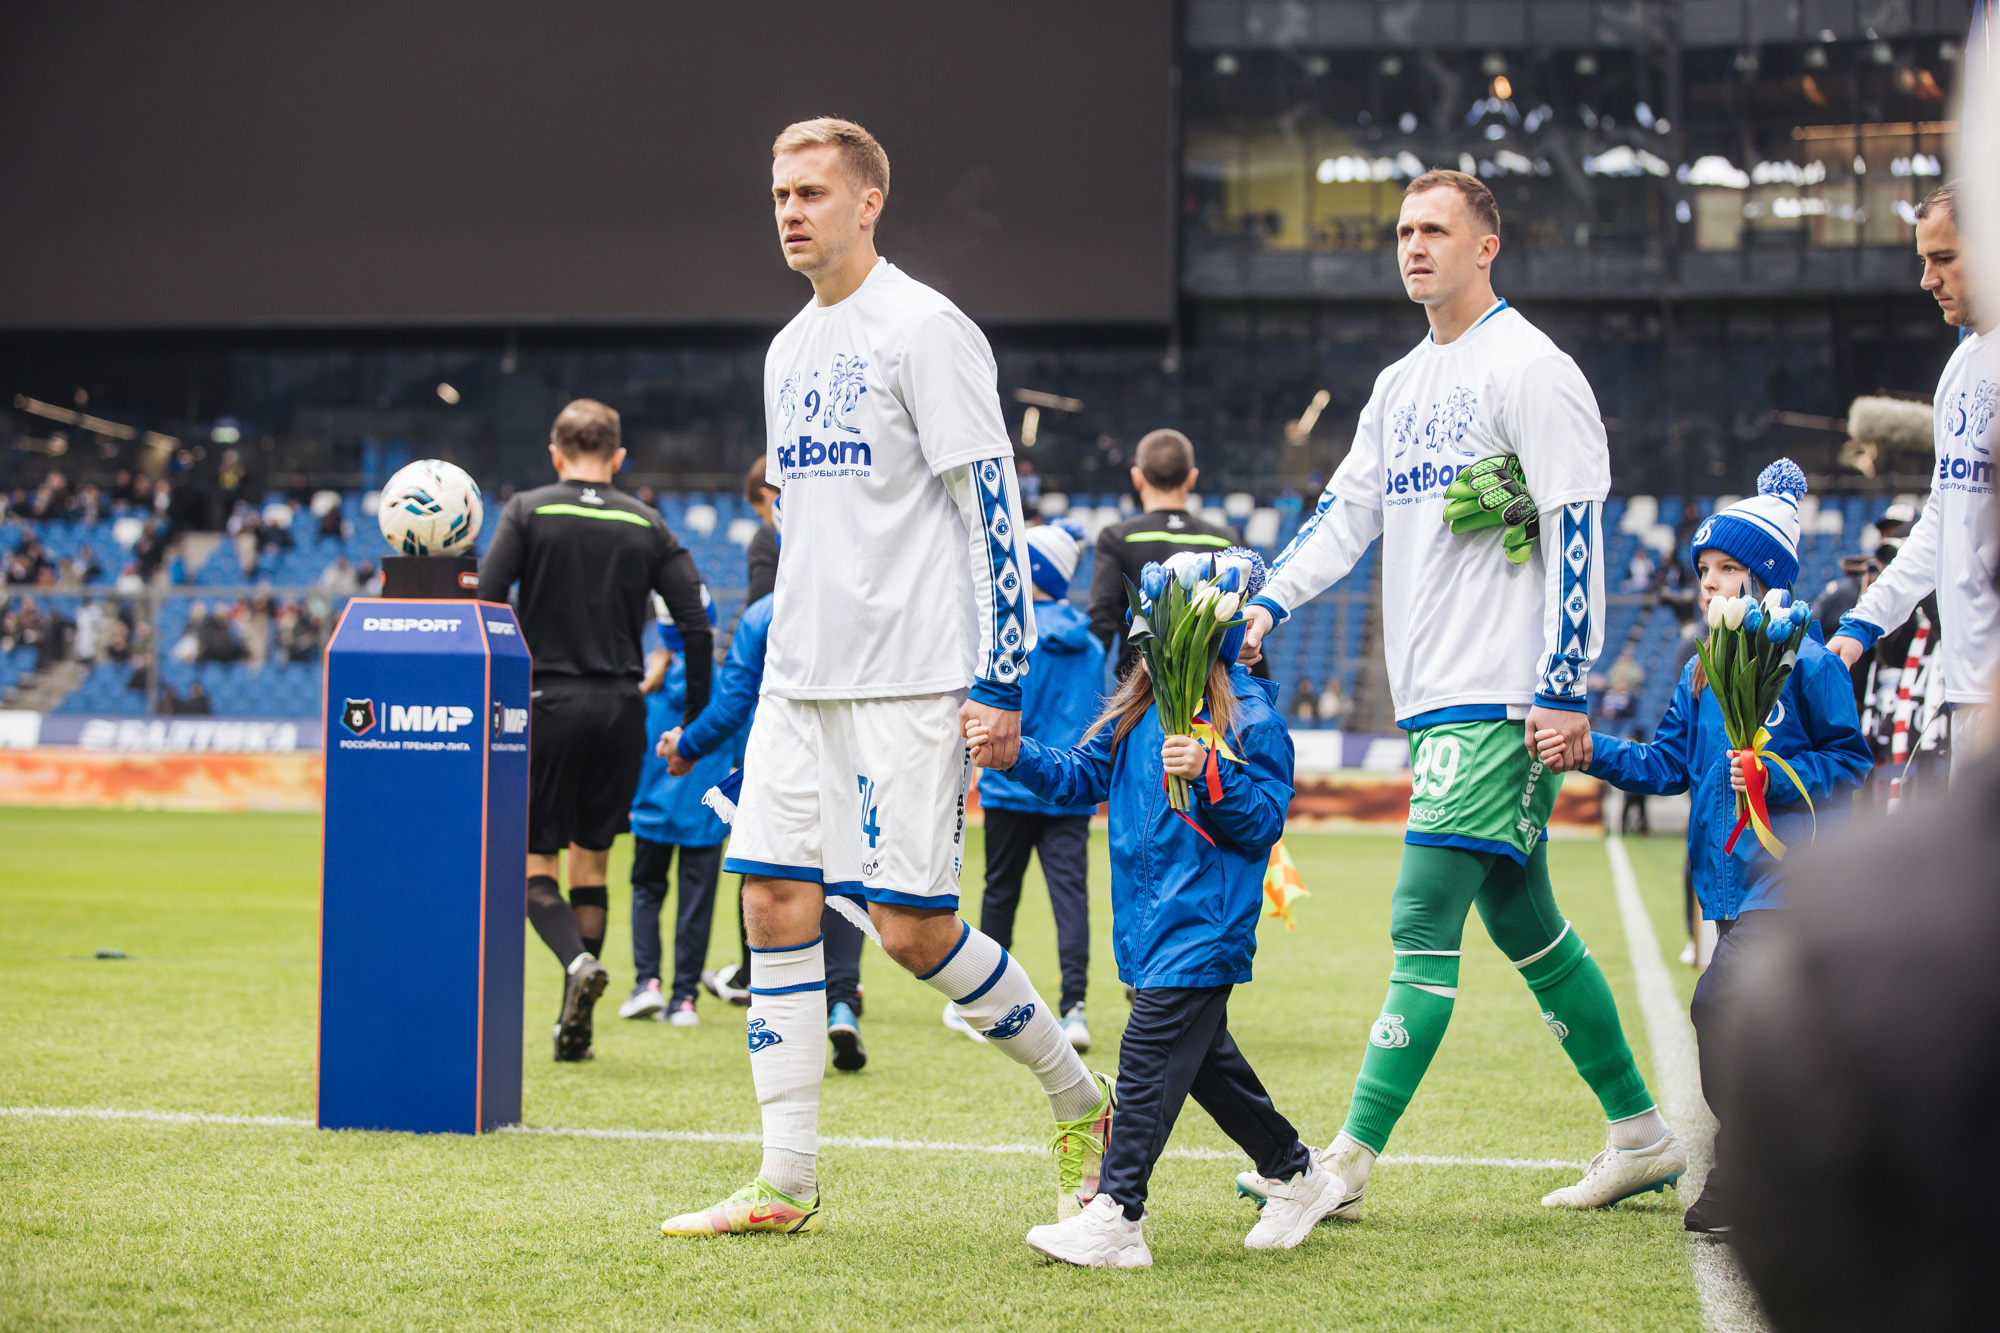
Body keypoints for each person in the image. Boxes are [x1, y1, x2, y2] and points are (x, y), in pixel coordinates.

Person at [660, 118, 1110, 1241]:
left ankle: (1076, 1097)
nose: (789, 211)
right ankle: (784, 1179)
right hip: (799, 685)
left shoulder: (925, 329)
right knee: (770, 898)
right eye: (777, 193)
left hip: (909, 683)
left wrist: (998, 676)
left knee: (911, 934)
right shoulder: (785, 349)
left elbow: (989, 513)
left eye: (811, 191)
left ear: (869, 201)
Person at [1237, 168, 1681, 1216]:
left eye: (1434, 228)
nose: (1412, 245)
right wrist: (1266, 602)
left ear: (1486, 245)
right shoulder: (1396, 385)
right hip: (1433, 695)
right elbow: (1344, 514)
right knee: (1527, 927)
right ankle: (1641, 1133)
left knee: (1418, 913)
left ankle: (1338, 1165)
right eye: (1401, 230)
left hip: (1501, 694)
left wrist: (1561, 684)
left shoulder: (1530, 368)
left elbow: (1574, 529)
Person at [967, 559, 1342, 1266]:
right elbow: (1078, 775)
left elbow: (1262, 822)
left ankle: (1118, 1215)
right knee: (1204, 1065)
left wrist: (1211, 771)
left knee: (1145, 1057)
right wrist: (1014, 756)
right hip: (1145, 927)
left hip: (1204, 926)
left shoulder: (1253, 719)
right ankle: (1295, 1174)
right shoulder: (1137, 710)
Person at [1574, 461, 1873, 1235]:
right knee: (1780, 1029)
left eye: (1727, 570)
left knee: (1719, 1005)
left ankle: (1747, 1173)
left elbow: (1851, 760)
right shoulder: (1701, 673)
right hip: (1728, 887)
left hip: (1791, 878)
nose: (1710, 584)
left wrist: (1772, 772)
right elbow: (1666, 766)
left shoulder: (1805, 660)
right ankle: (1818, 1162)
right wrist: (1587, 749)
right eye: (1704, 570)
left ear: (1765, 577)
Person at [477, 398, 714, 1063]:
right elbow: (695, 625)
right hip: (622, 711)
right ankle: (571, 1020)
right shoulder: (647, 521)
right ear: (618, 458)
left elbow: (486, 608)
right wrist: (693, 721)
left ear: (555, 453)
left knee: (535, 866)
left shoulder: (528, 509)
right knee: (593, 864)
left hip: (547, 705)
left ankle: (577, 963)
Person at [666, 576, 876, 1073]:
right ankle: (842, 1001)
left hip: (783, 763)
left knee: (776, 892)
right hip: (857, 755)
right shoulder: (867, 593)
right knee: (845, 881)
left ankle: (782, 1026)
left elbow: (734, 701)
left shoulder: (767, 611)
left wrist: (687, 746)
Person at [1829, 182, 1999, 762]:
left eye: (1944, 259)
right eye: (1924, 260)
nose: (1927, 279)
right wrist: (1863, 624)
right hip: (1971, 692)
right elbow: (1942, 519)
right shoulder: (1960, 366)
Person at [962, 522, 1103, 1052]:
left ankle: (985, 1004)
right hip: (1070, 789)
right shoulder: (1089, 643)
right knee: (1070, 897)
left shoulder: (1013, 636)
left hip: (1010, 783)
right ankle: (1076, 1007)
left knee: (1000, 892)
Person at [623, 589, 730, 1027]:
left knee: (646, 894)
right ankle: (683, 998)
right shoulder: (728, 684)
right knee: (695, 906)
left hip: (650, 808)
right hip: (704, 815)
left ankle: (646, 983)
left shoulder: (647, 683)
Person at [1087, 430, 1239, 676]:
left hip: (1138, 695)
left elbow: (1100, 623)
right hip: (1213, 698)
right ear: (1192, 478)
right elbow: (1245, 625)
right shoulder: (1226, 539)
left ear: (1137, 477)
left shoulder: (1117, 537)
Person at [744, 457, 781, 606]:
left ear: (767, 496)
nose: (766, 521)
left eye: (762, 514)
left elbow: (761, 606)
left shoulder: (766, 538)